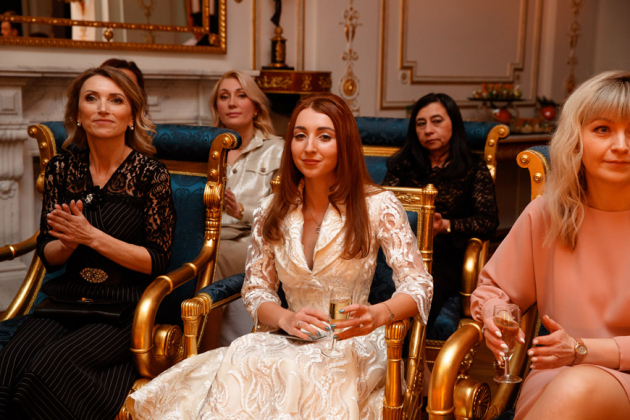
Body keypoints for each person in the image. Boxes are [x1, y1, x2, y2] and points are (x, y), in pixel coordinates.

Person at [128, 93, 433, 419]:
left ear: (344, 143)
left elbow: (418, 284)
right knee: (242, 355)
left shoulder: (378, 205)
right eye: (300, 136)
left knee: (302, 374)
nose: (309, 147)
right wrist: (286, 319)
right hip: (290, 338)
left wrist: (378, 314)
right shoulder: (271, 209)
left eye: (324, 136)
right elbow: (256, 290)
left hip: (351, 343)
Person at [0, 67, 176, 419]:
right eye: (92, 98)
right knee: (8, 362)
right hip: (66, 300)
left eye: (116, 100)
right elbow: (49, 255)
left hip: (124, 307)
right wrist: (67, 243)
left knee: (48, 370)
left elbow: (156, 260)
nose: (103, 108)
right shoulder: (61, 169)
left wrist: (91, 236)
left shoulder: (150, 174)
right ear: (78, 114)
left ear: (131, 116)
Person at [472, 70, 630, 420]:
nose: (621, 145)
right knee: (571, 386)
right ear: (576, 139)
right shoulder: (547, 214)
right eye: (603, 129)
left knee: (578, 386)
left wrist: (582, 350)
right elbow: (495, 290)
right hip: (557, 376)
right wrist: (498, 314)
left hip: (604, 377)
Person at [383, 93, 499, 328]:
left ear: (453, 124)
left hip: (444, 257)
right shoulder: (403, 165)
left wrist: (446, 225)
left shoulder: (473, 168)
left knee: (421, 288)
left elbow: (488, 221)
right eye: (421, 123)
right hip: (397, 250)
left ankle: (407, 350)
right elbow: (380, 206)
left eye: (436, 121)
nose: (428, 130)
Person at [203, 70, 284, 349]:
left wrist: (241, 210)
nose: (232, 103)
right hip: (207, 234)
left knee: (212, 257)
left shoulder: (277, 150)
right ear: (217, 107)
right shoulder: (207, 149)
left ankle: (205, 352)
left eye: (241, 95)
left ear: (256, 106)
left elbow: (283, 210)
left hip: (250, 240)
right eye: (224, 97)